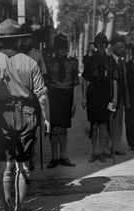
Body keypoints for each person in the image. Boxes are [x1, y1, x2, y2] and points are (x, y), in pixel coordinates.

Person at [0, 19, 50, 211]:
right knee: (23, 164)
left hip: (1, 115)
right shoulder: (30, 62)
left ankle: (8, 210)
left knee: (5, 165)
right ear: (18, 40)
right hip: (27, 115)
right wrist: (46, 119)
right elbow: (42, 96)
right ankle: (20, 209)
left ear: (0, 41)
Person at [82, 32, 118, 163]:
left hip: (105, 95)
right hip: (93, 94)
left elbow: (114, 80)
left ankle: (101, 152)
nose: (102, 47)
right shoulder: (90, 60)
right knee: (94, 124)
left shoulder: (110, 61)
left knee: (103, 124)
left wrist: (114, 99)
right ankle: (94, 152)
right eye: (100, 44)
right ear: (96, 45)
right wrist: (84, 98)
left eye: (104, 44)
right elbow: (84, 80)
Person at [45, 33, 79, 168]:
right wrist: (46, 104)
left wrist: (74, 104)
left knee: (63, 128)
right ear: (55, 48)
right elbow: (45, 86)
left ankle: (63, 157)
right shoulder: (48, 64)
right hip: (53, 97)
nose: (63, 50)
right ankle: (54, 158)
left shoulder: (73, 64)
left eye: (64, 47)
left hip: (66, 97)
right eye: (60, 47)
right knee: (54, 128)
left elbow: (75, 85)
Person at [20, 23, 47, 171]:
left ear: (31, 38)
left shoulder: (37, 55)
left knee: (33, 129)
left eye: (27, 37)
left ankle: (29, 156)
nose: (24, 40)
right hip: (18, 97)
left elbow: (43, 77)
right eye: (22, 37)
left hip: (34, 98)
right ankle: (23, 156)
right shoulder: (14, 55)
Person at [103, 34, 130, 158]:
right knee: (109, 121)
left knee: (118, 122)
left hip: (120, 96)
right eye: (120, 47)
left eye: (123, 47)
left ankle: (116, 146)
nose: (122, 49)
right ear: (113, 46)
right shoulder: (108, 60)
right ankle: (106, 148)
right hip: (110, 95)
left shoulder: (121, 61)